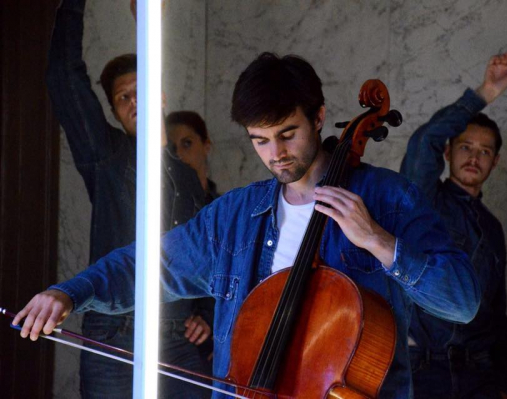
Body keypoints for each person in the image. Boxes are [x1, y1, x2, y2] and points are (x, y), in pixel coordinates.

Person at [16, 52, 481, 398]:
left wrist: (379, 241)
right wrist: (69, 292)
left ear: (318, 118)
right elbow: (148, 265)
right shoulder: (235, 216)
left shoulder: (388, 198)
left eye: (287, 134)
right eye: (259, 140)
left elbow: (461, 301)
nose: (275, 154)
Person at [45, 0, 213, 397]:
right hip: (114, 339)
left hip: (178, 340)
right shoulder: (108, 156)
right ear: (116, 112)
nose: (134, 101)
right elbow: (64, 77)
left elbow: (207, 247)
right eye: (123, 98)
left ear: (162, 96)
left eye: (141, 91)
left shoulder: (188, 176)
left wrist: (205, 312)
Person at [400, 47, 507, 399]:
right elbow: (425, 141)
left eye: (484, 151)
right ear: (449, 152)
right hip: (425, 369)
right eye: (466, 146)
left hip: (479, 376)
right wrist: (485, 93)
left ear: (495, 162)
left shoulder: (492, 226)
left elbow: (498, 312)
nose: (474, 156)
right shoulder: (425, 200)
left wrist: (501, 381)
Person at [166, 111, 219, 204]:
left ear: (206, 146)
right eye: (171, 147)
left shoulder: (225, 208)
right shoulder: (161, 207)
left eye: (187, 143)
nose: (178, 153)